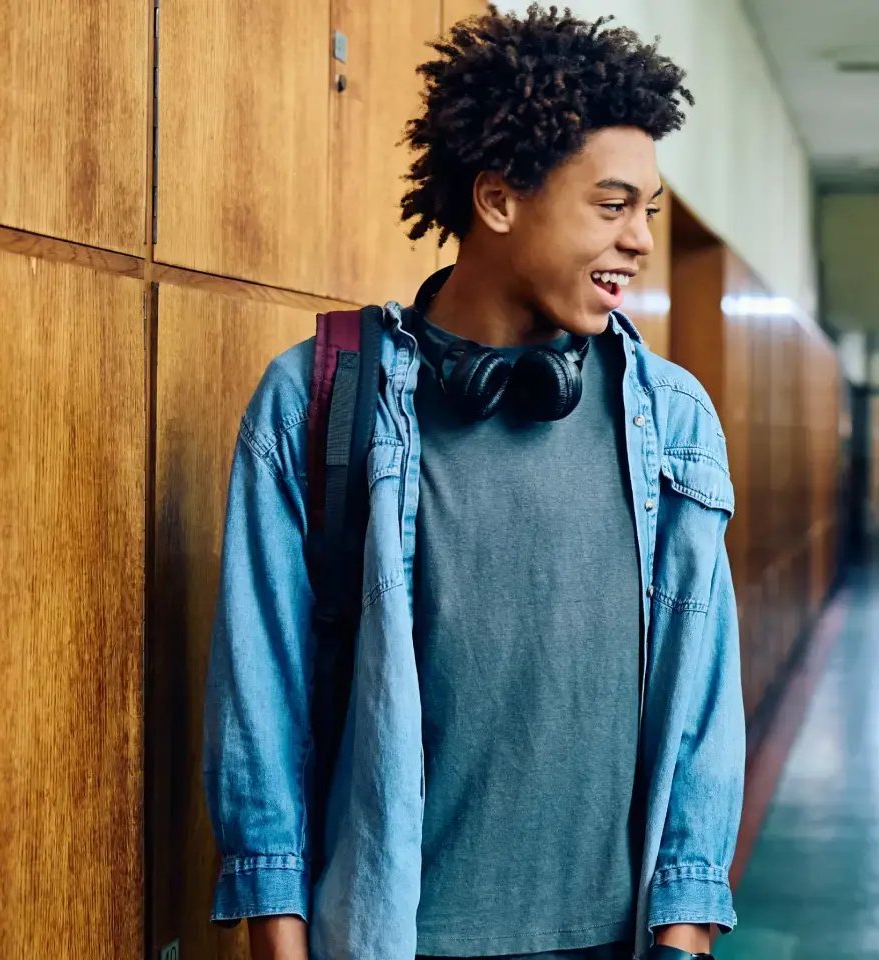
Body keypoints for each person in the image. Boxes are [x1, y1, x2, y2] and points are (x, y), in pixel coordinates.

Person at [202, 8, 739, 960]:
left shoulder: (674, 421)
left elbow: (701, 700)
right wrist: (280, 943)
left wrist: (686, 934)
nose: (641, 242)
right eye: (611, 206)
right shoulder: (315, 400)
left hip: (614, 940)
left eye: (648, 211)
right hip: (389, 933)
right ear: (497, 200)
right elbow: (262, 696)